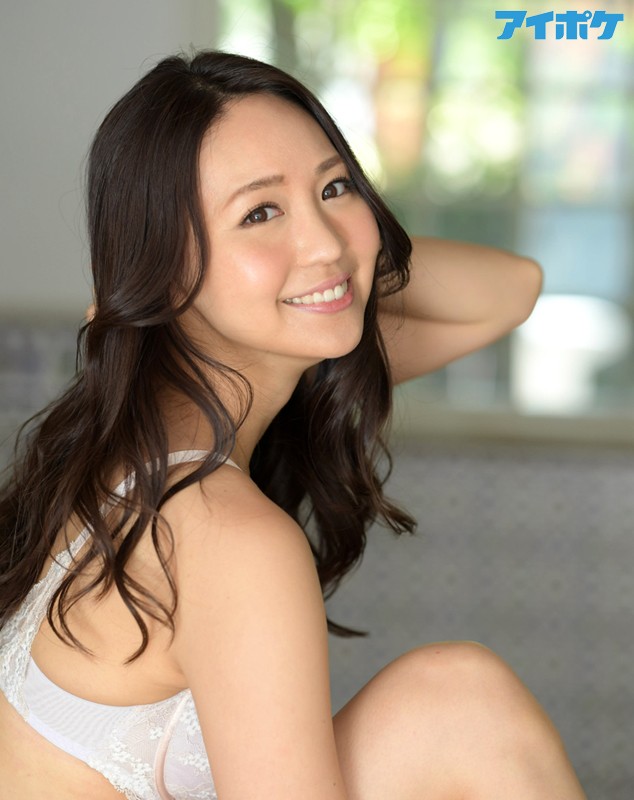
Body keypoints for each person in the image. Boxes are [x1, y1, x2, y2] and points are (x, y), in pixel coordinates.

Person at [0, 50, 586, 800]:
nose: (325, 240)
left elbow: (512, 290)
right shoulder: (226, 535)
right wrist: (326, 271)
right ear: (164, 268)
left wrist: (343, 265)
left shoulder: (144, 426)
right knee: (468, 705)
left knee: (459, 700)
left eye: (335, 187)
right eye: (260, 212)